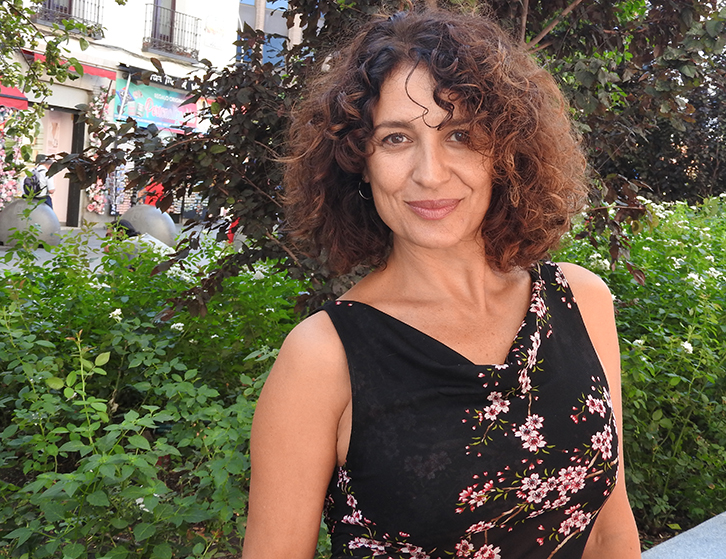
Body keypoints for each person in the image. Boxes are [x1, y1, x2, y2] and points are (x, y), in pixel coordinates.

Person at [244, 8, 641, 559]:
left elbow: (607, 529)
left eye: (460, 135)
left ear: (505, 151)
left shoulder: (580, 301)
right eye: (395, 138)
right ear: (358, 161)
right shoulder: (324, 356)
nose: (430, 173)